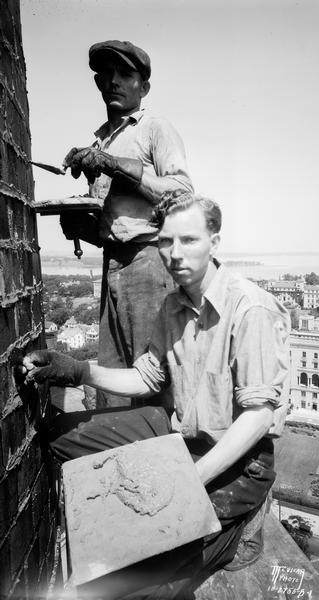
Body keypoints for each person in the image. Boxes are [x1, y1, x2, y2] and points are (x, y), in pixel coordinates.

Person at [23, 194, 290, 599]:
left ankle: (239, 532)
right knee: (61, 438)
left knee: (135, 585)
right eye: (166, 241)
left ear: (214, 243)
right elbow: (146, 378)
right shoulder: (173, 305)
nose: (174, 253)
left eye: (189, 240)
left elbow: (257, 417)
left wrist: (186, 482)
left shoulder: (250, 309)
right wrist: (79, 371)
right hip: (178, 433)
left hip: (240, 459)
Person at [60, 40, 193, 408]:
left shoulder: (155, 128)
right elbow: (115, 225)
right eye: (106, 75)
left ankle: (171, 457)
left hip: (149, 263)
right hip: (114, 263)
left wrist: (113, 164)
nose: (114, 81)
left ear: (143, 87)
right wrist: (78, 224)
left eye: (125, 74)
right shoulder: (101, 138)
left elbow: (183, 195)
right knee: (113, 380)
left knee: (155, 378)